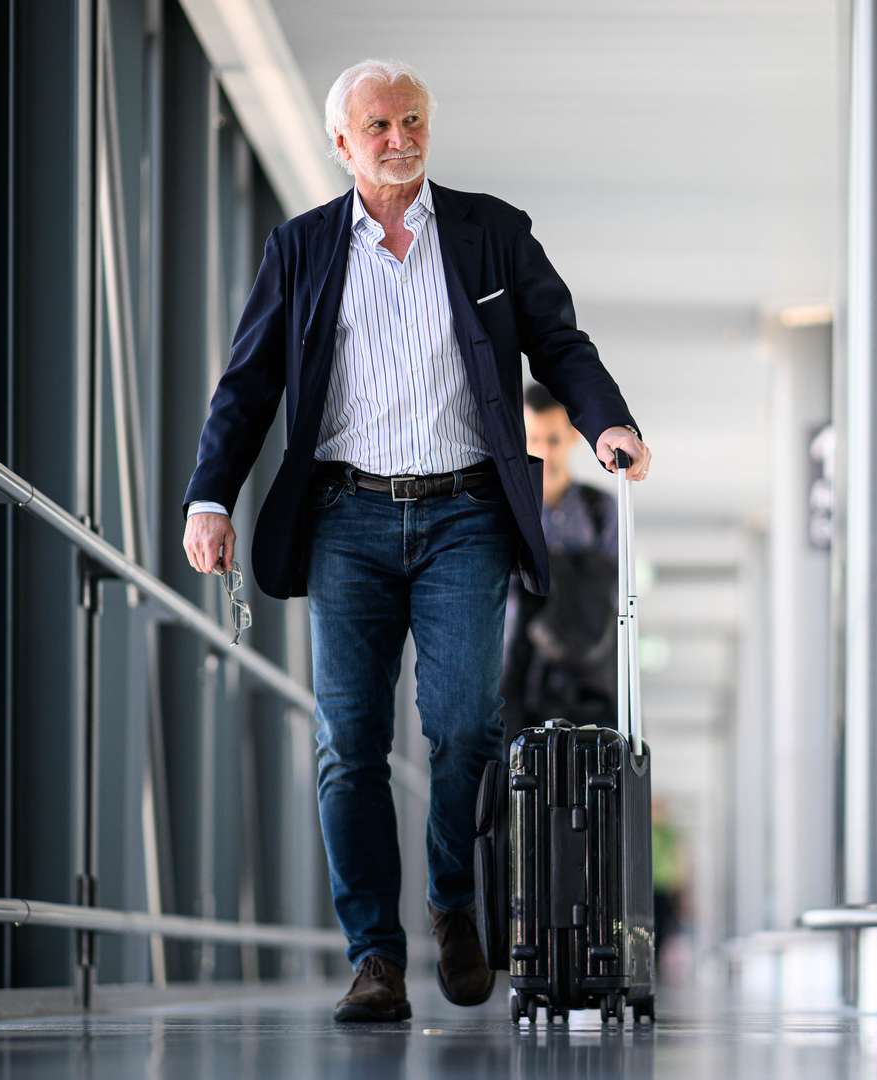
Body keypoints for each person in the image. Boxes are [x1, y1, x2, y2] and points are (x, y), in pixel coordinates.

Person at [179, 58, 652, 1024]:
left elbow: (560, 342)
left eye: (413, 120)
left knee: (467, 724)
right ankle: (374, 959)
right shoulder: (302, 248)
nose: (400, 139)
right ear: (342, 145)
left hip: (466, 513)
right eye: (379, 126)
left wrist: (607, 422)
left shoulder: (489, 233)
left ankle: (452, 898)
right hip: (345, 519)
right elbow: (247, 385)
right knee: (347, 742)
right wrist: (209, 499)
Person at [501, 383, 620, 735]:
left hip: (584, 667)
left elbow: (610, 592)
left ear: (571, 436)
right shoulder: (505, 508)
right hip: (514, 670)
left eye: (552, 440)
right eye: (534, 439)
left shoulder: (597, 509)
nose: (544, 452)